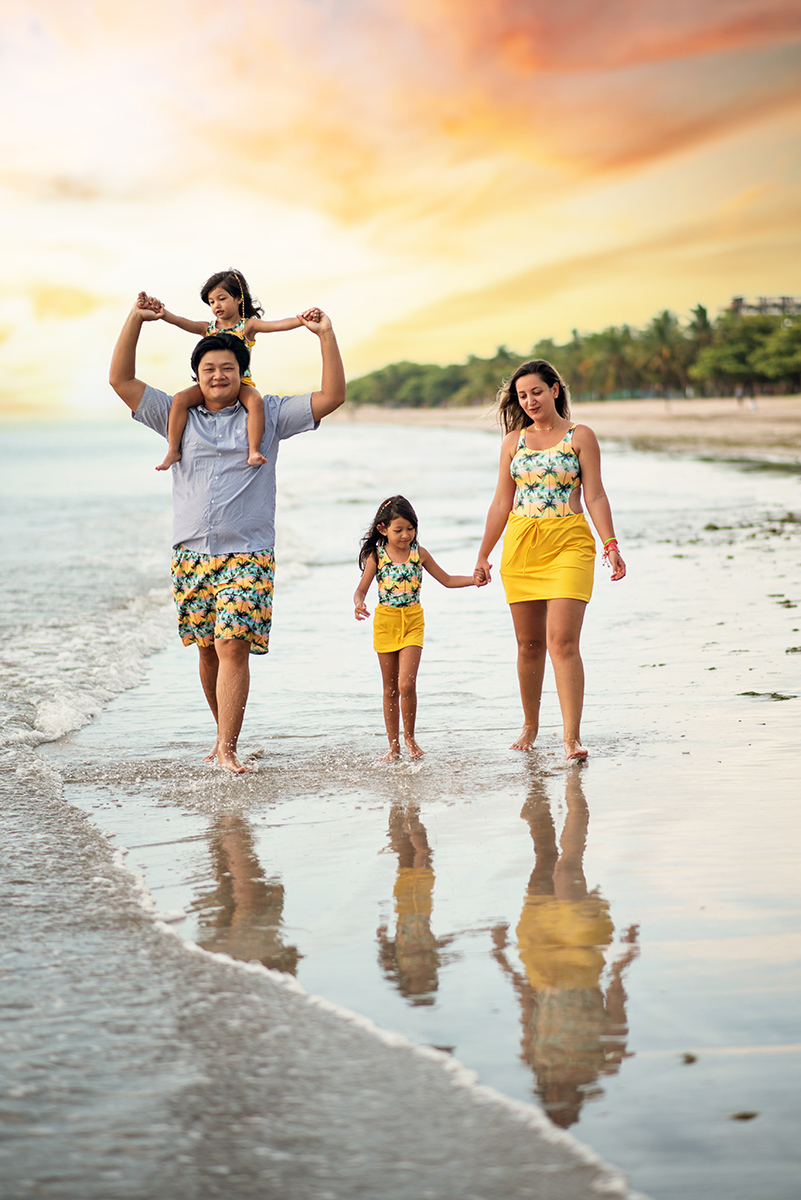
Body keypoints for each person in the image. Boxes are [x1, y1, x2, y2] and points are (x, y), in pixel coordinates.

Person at [109, 294, 346, 774]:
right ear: (197, 375)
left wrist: (325, 336)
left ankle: (228, 748)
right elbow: (121, 380)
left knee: (232, 642)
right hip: (191, 555)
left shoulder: (269, 415)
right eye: (209, 369)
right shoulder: (177, 415)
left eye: (228, 368)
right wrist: (135, 319)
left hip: (249, 553)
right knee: (207, 650)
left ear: (242, 372)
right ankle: (223, 737)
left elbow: (332, 397)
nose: (219, 376)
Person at [473, 359, 625, 760]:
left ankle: (571, 737)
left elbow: (595, 495)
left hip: (570, 544)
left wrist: (610, 544)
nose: (530, 401)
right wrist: (483, 554)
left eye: (536, 392)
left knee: (562, 642)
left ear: (555, 389)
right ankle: (530, 723)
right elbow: (501, 502)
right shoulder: (512, 442)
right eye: (522, 395)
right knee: (528, 645)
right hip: (522, 545)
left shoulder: (580, 436)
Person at [138, 269, 319, 471]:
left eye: (222, 299)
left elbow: (277, 325)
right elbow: (182, 322)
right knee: (180, 399)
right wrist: (163, 314)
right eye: (212, 301)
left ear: (238, 299)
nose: (216, 305)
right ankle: (173, 450)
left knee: (256, 402)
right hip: (212, 385)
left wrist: (302, 320)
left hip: (240, 384)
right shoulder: (208, 328)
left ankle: (253, 451)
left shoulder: (247, 326)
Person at [354, 495, 476, 761]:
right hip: (385, 623)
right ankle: (393, 746)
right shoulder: (377, 556)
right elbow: (361, 590)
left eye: (410, 529)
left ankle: (409, 738)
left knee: (406, 684)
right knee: (390, 689)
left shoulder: (419, 554)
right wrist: (359, 604)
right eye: (399, 530)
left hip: (413, 622)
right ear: (383, 529)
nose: (406, 535)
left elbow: (447, 579)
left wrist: (473, 580)